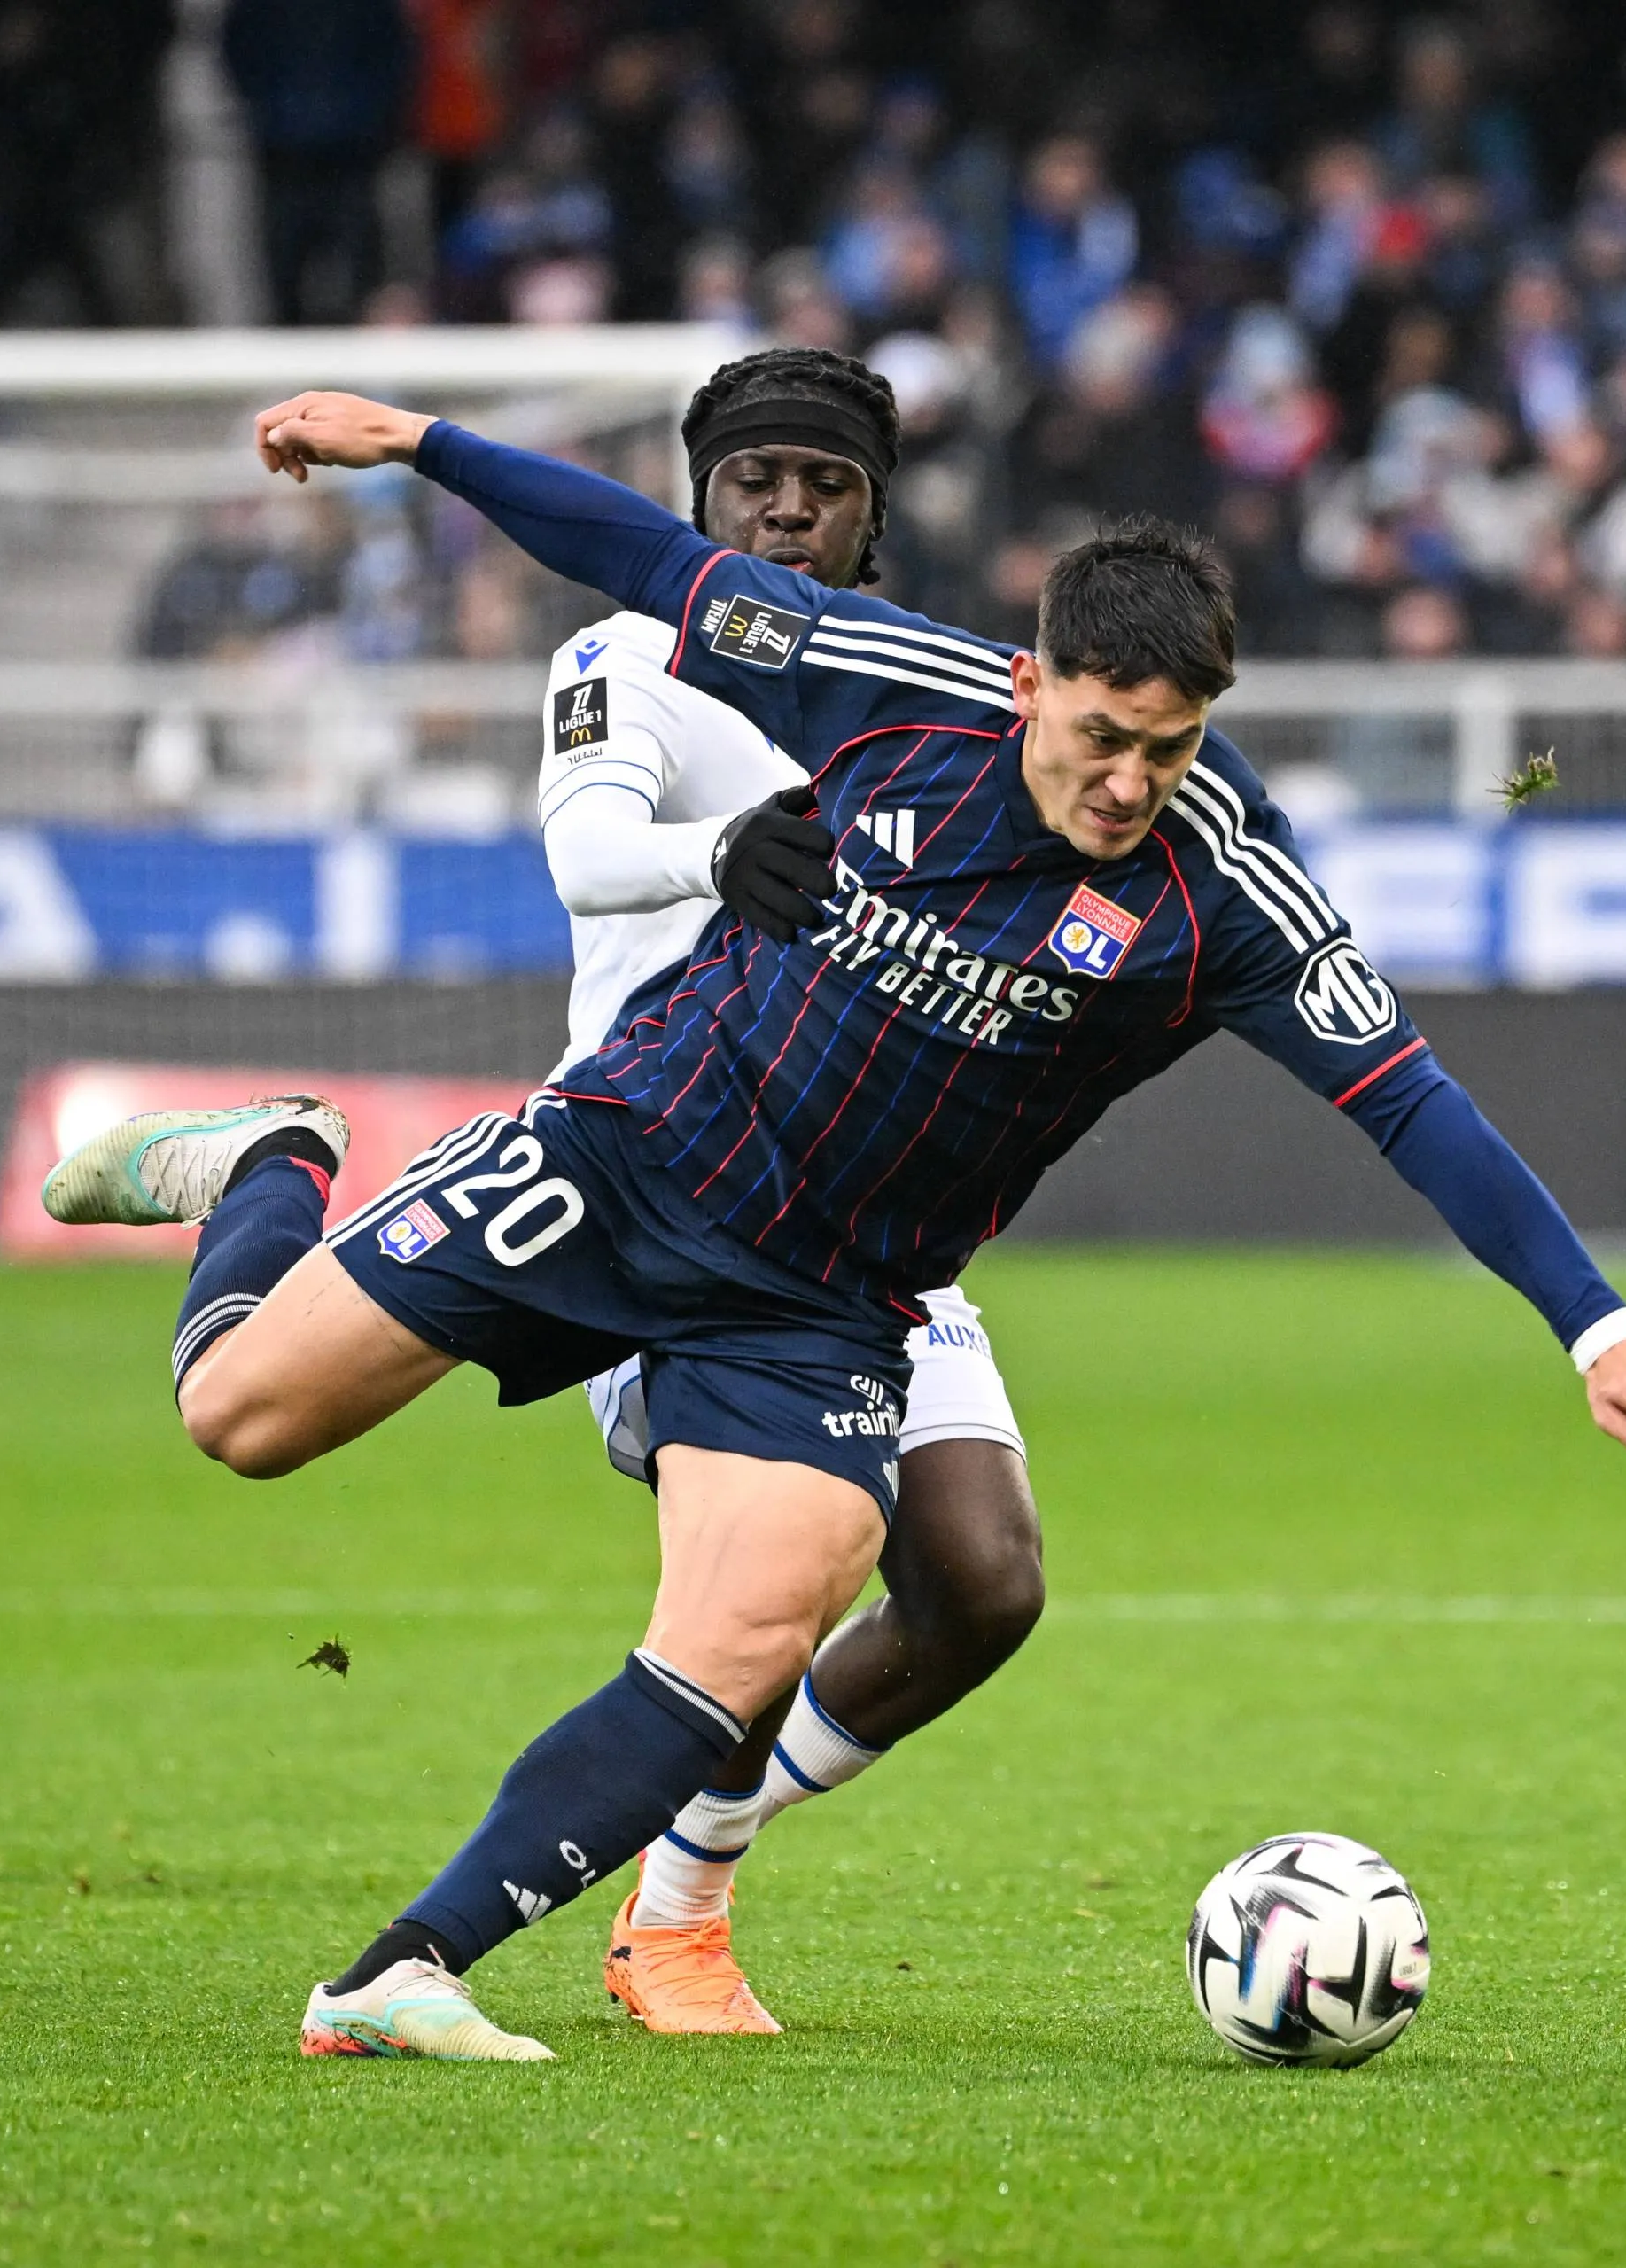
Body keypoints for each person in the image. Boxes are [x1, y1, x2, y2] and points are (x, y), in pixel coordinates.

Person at [42, 392, 1626, 2064]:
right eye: (1100, 736)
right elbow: (644, 554)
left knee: (744, 1642)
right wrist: (421, 447)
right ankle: (278, 1157)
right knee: (239, 1420)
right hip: (633, 1153)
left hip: (825, 1300)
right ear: (1032, 683)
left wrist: (1599, 1331)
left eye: (1170, 747)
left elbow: (1409, 1099)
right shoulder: (887, 680)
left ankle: (403, 1969)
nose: (1129, 782)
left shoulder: (1225, 886)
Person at [541, 349, 1043, 2035]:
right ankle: (680, 1921)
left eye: (825, 485)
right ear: (698, 499)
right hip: (662, 1191)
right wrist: (718, 855)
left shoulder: (931, 701)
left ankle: (696, 1825)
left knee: (982, 1582)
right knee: (783, 1571)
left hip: (862, 1203)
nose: (787, 507)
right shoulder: (628, 654)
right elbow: (583, 852)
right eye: (755, 477)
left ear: (874, 515)